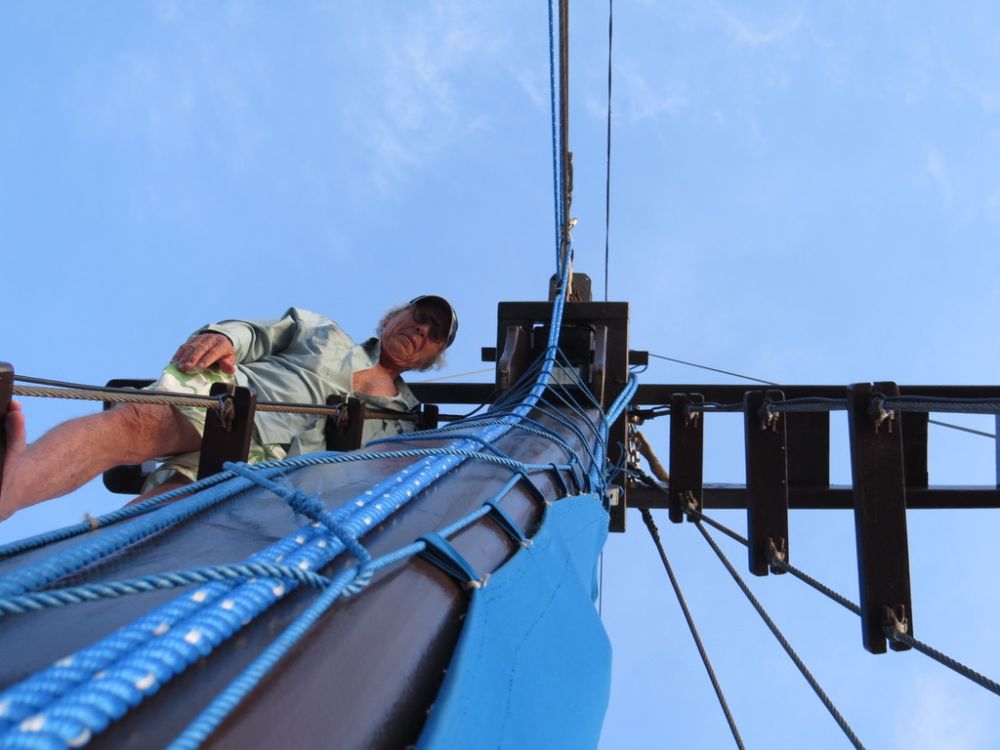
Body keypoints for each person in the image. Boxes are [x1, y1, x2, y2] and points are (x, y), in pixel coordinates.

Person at [0, 296, 458, 521]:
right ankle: (10, 486)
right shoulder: (324, 332)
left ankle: (50, 589)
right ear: (391, 317)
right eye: (418, 316)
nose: (419, 329)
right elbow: (257, 334)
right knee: (137, 421)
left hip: (278, 475)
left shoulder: (406, 424)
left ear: (432, 358)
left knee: (150, 529)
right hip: (235, 399)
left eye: (433, 333)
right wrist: (223, 337)